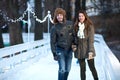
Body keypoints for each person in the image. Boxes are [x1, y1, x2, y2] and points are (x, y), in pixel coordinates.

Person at [72, 10, 99, 80]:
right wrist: (74, 45)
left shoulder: (89, 26)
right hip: (79, 50)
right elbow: (74, 37)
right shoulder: (76, 26)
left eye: (82, 16)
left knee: (92, 67)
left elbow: (91, 40)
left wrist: (90, 51)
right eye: (79, 16)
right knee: (82, 69)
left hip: (88, 49)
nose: (80, 17)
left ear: (85, 17)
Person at [50, 8, 74, 80]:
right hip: (60, 50)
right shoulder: (54, 28)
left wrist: (74, 44)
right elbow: (52, 42)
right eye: (57, 15)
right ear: (56, 17)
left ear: (63, 15)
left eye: (60, 15)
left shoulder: (70, 24)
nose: (59, 16)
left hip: (69, 50)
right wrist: (54, 53)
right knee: (62, 69)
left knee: (68, 69)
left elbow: (74, 35)